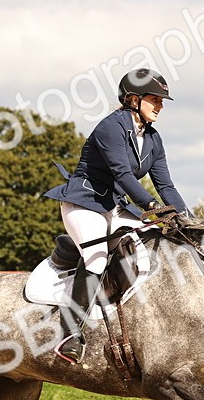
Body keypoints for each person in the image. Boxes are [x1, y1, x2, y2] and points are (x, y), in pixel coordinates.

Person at [43, 68, 189, 363]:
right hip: (85, 201)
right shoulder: (111, 127)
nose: (160, 105)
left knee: (156, 243)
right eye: (155, 99)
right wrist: (151, 207)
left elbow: (165, 185)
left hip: (115, 206)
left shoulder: (153, 139)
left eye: (162, 101)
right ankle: (70, 334)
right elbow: (122, 173)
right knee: (96, 255)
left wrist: (185, 219)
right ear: (133, 99)